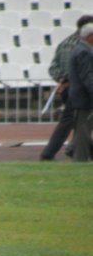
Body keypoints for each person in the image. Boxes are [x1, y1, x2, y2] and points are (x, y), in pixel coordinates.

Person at [40, 14, 93, 161]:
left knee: (78, 122)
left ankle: (73, 149)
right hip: (79, 89)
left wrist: (61, 80)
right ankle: (50, 153)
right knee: (73, 123)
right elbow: (81, 70)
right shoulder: (82, 46)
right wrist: (68, 81)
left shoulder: (65, 42)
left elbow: (53, 67)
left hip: (69, 87)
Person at [67, 22, 93, 162]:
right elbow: (87, 77)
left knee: (81, 129)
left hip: (80, 97)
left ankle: (73, 150)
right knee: (83, 131)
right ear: (90, 36)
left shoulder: (79, 49)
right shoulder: (84, 52)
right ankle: (80, 159)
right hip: (84, 98)